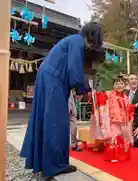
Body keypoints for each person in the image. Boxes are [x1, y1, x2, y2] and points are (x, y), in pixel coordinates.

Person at [20, 22, 104, 177]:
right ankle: (54, 165)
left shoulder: (72, 40)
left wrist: (80, 86)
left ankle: (44, 162)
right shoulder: (77, 41)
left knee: (46, 120)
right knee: (56, 122)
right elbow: (74, 68)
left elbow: (73, 68)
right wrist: (81, 89)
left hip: (48, 77)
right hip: (54, 79)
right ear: (94, 35)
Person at [90, 76, 134, 153]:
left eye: (121, 84)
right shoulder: (109, 94)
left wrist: (132, 108)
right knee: (114, 134)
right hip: (112, 119)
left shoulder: (126, 97)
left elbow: (127, 108)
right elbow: (101, 96)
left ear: (124, 85)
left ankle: (119, 148)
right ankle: (112, 150)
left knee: (121, 134)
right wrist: (96, 94)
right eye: (117, 84)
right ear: (113, 85)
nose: (119, 85)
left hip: (123, 120)